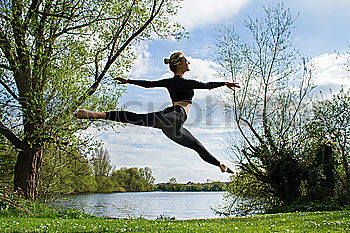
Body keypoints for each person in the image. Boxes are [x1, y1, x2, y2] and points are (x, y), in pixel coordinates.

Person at [75, 52, 240, 173]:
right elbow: (207, 85)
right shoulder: (189, 83)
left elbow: (149, 84)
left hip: (172, 127)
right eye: (187, 61)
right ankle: (97, 115)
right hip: (175, 116)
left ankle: (220, 164)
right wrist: (224, 83)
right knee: (195, 145)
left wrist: (129, 81)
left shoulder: (170, 82)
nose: (189, 63)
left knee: (194, 144)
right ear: (181, 64)